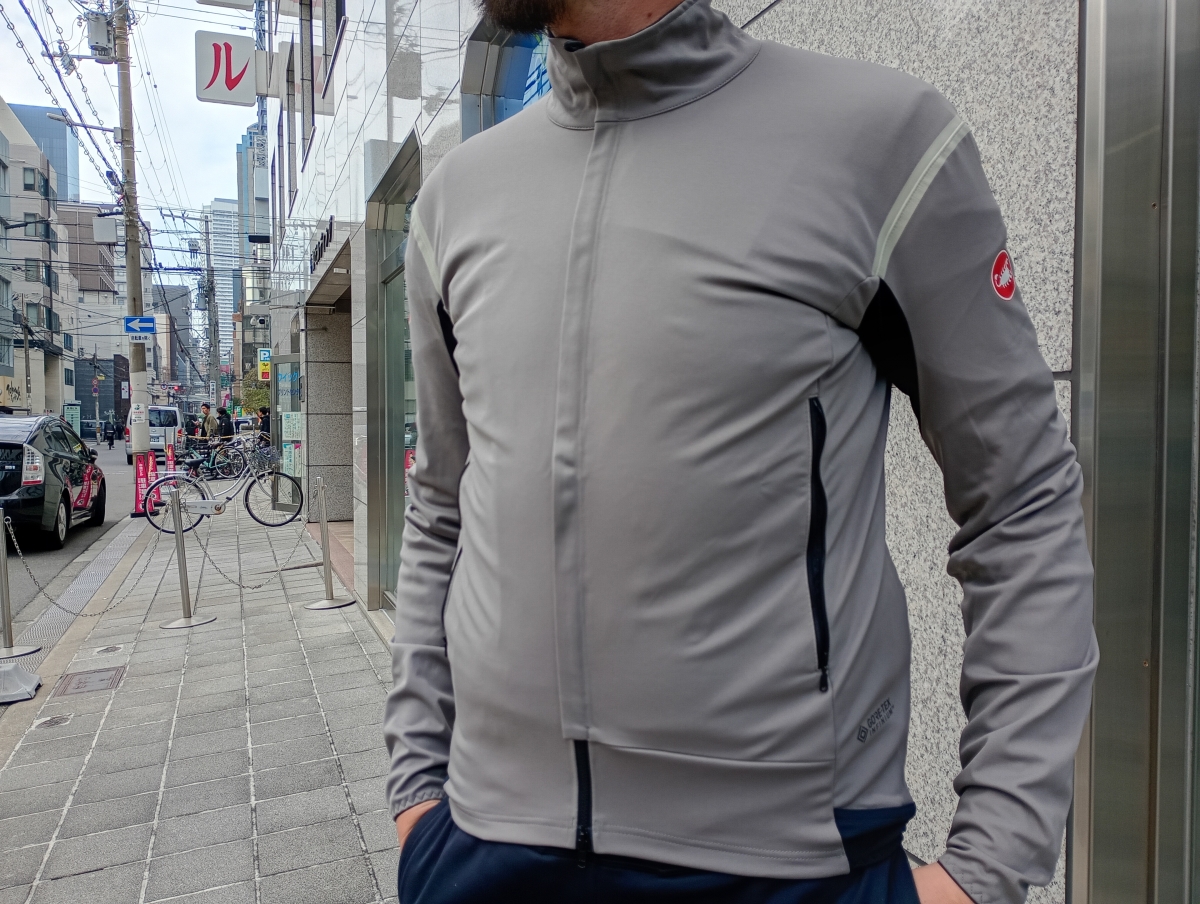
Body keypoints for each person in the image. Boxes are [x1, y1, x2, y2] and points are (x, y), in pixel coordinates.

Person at [384, 2, 1097, 903]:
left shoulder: (879, 142)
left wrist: (987, 868)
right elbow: (442, 506)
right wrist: (418, 792)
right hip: (480, 853)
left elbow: (1022, 500)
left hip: (788, 866)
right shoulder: (457, 197)